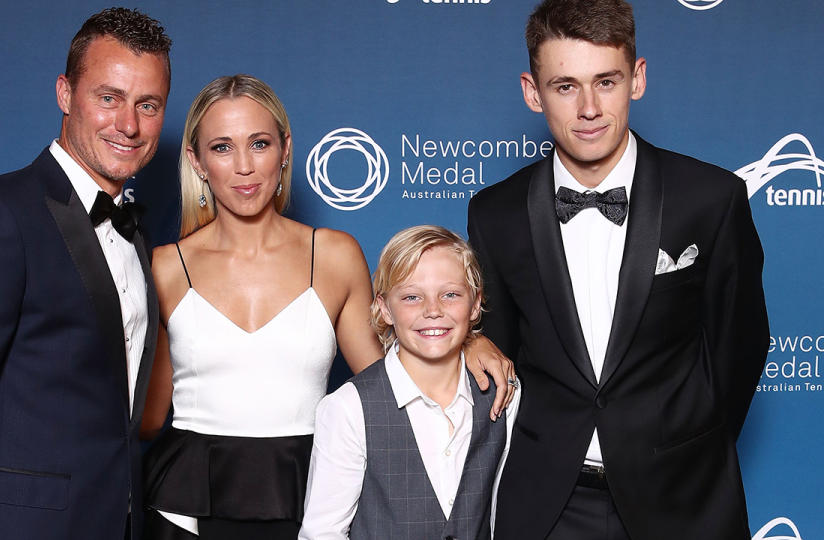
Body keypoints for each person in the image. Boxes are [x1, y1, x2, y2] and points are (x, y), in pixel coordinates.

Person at [140, 75, 516, 540]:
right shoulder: (163, 268)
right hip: (184, 508)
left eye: (259, 143)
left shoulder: (334, 255)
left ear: (285, 149)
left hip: (308, 494)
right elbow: (148, 419)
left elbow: (389, 383)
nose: (243, 166)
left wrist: (470, 343)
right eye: (221, 147)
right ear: (197, 161)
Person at [467, 1, 770, 539]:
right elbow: (500, 352)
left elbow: (739, 348)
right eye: (565, 86)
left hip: (683, 496)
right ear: (532, 92)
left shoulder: (711, 198)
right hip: (546, 503)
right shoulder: (495, 213)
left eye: (605, 81)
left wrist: (686, 445)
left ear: (638, 78)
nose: (588, 107)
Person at [0, 8, 171, 540]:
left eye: (148, 104)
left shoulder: (136, 237)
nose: (128, 124)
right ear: (66, 94)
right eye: (108, 97)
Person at [298, 225, 521, 540]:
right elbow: (322, 533)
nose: (433, 310)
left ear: (474, 304)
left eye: (451, 295)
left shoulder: (502, 393)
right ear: (386, 308)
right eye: (412, 297)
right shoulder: (349, 408)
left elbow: (503, 513)